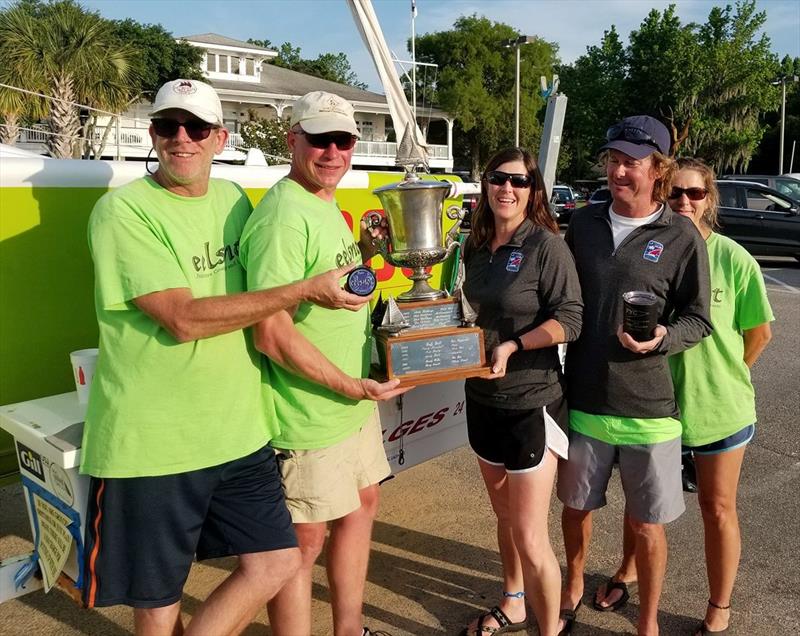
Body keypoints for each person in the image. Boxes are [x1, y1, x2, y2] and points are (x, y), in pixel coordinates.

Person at [81, 79, 373, 636]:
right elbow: (183, 317)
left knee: (278, 560)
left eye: (196, 128)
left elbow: (258, 292)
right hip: (155, 442)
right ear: (153, 134)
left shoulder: (235, 200)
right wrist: (304, 290)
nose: (181, 139)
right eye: (169, 126)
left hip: (240, 432)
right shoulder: (122, 212)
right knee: (159, 598)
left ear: (222, 137)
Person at [238, 91, 407, 636]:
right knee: (301, 543)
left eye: (344, 140)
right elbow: (271, 333)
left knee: (362, 504)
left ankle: (349, 629)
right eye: (319, 139)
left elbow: (325, 287)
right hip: (308, 413)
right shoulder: (283, 217)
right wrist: (350, 386)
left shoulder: (323, 201)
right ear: (293, 141)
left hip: (348, 405)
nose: (333, 151)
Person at [593, 158, 773, 635]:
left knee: (717, 508)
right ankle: (628, 569)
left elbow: (759, 333)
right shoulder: (651, 248)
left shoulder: (733, 258)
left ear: (709, 199)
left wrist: (730, 375)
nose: (684, 202)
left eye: (695, 194)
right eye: (675, 194)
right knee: (640, 503)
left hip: (717, 409)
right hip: (650, 405)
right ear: (661, 195)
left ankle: (719, 605)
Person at [555, 115, 713, 636]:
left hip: (649, 407)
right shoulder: (583, 223)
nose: (619, 171)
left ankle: (647, 623)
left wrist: (661, 339)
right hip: (585, 399)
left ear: (658, 170)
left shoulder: (681, 234)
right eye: (613, 160)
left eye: (632, 162)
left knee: (647, 525)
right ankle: (573, 582)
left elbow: (698, 318)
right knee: (576, 507)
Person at [459, 148, 583, 636]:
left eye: (518, 181)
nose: (505, 189)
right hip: (481, 399)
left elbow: (571, 319)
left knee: (531, 536)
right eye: (497, 179)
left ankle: (548, 630)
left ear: (533, 190)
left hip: (531, 402)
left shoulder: (546, 246)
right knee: (504, 515)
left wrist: (515, 344)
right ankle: (513, 601)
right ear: (485, 184)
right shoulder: (476, 245)